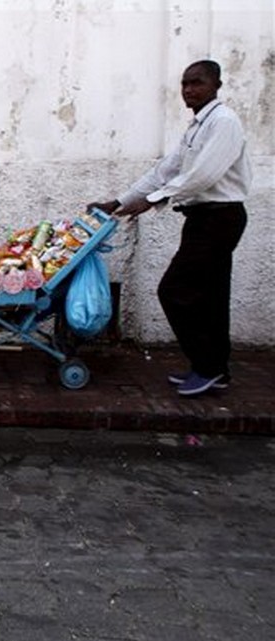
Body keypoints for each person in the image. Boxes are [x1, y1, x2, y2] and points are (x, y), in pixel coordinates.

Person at [90, 59, 251, 397]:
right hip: (202, 218)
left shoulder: (223, 122)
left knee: (174, 290)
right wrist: (118, 202)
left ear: (216, 85)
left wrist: (153, 200)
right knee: (210, 297)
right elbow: (165, 170)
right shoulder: (196, 127)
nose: (189, 90)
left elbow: (203, 176)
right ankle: (214, 371)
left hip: (220, 217)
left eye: (197, 83)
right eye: (185, 84)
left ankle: (206, 366)